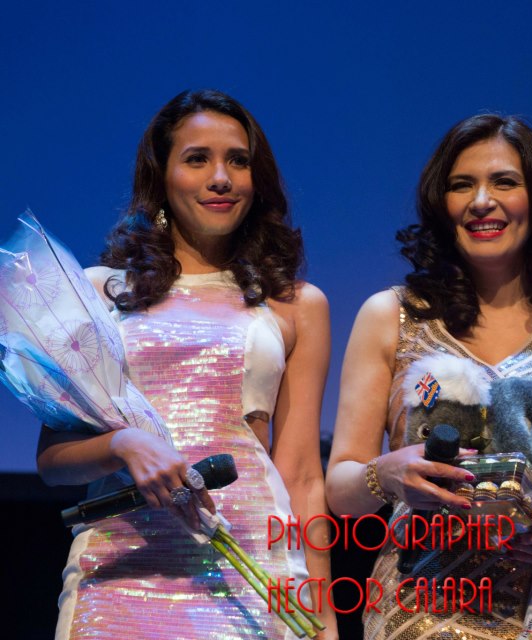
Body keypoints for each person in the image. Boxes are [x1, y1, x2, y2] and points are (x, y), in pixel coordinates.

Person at [36, 89, 338, 639]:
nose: (220, 177)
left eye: (238, 161)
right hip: (117, 575)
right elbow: (54, 462)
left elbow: (301, 476)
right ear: (162, 177)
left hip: (252, 570)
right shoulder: (101, 292)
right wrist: (123, 444)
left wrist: (323, 620)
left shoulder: (296, 304)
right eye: (197, 159)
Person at [325, 114, 532, 639]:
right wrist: (386, 475)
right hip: (424, 613)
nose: (481, 201)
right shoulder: (390, 316)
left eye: (504, 182)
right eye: (461, 185)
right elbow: (339, 490)